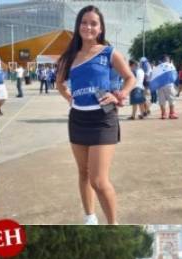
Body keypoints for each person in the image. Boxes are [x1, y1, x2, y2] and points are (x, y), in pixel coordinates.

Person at [56, 5, 135, 226]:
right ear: (78, 25)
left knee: (98, 180)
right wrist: (69, 97)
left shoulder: (109, 52)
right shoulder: (70, 56)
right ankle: (90, 218)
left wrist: (119, 94)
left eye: (93, 23)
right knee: (83, 172)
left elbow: (130, 78)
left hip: (103, 119)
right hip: (78, 119)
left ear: (100, 29)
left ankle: (113, 225)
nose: (88, 27)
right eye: (84, 22)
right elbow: (59, 83)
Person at [150, 55, 178, 119]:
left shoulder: (157, 68)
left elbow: (153, 77)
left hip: (160, 86)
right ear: (167, 59)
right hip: (169, 85)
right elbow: (174, 75)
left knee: (162, 100)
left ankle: (163, 114)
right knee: (171, 99)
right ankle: (172, 114)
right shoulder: (170, 65)